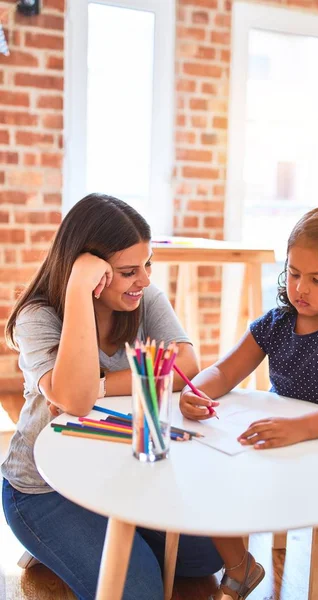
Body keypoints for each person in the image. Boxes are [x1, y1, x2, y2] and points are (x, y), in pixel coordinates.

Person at [2, 193, 224, 600]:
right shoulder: (38, 316)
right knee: (139, 593)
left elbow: (185, 366)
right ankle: (57, 540)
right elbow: (77, 399)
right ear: (90, 271)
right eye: (128, 271)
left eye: (148, 264)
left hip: (120, 474)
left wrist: (103, 381)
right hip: (46, 489)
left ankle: (105, 536)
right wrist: (77, 293)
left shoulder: (142, 299)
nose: (145, 280)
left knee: (208, 554)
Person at [181, 201, 318, 600]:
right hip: (281, 440)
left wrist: (300, 429)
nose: (300, 288)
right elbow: (224, 371)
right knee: (209, 475)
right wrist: (196, 391)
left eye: (317, 279)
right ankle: (240, 567)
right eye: (294, 273)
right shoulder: (277, 323)